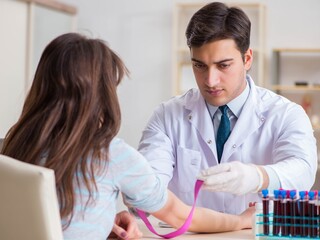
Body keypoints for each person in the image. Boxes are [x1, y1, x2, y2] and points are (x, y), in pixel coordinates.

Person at [0, 32, 254, 240]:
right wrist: (242, 220)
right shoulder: (110, 154)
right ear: (100, 94)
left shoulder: (15, 142)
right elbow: (179, 215)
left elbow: (40, 217)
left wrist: (97, 220)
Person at [138, 1, 317, 215]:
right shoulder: (167, 116)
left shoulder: (286, 114)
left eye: (223, 65)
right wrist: (137, 189)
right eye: (199, 65)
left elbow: (303, 172)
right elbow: (148, 187)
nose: (210, 80)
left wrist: (257, 177)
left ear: (247, 58)